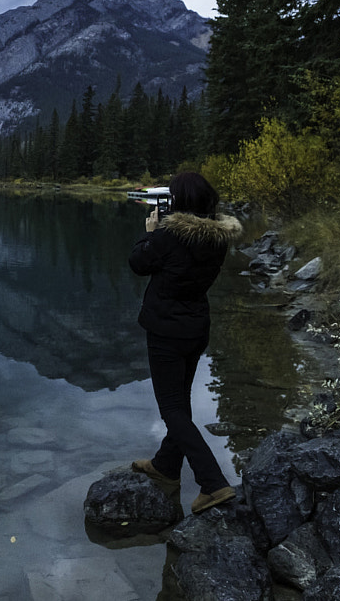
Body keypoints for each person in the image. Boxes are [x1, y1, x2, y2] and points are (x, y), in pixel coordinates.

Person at [127, 171, 243, 514]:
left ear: (179, 203)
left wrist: (151, 232)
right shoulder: (218, 237)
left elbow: (138, 263)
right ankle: (165, 465)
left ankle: (213, 483)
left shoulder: (170, 236)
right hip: (196, 328)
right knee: (181, 402)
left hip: (166, 331)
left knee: (172, 409)